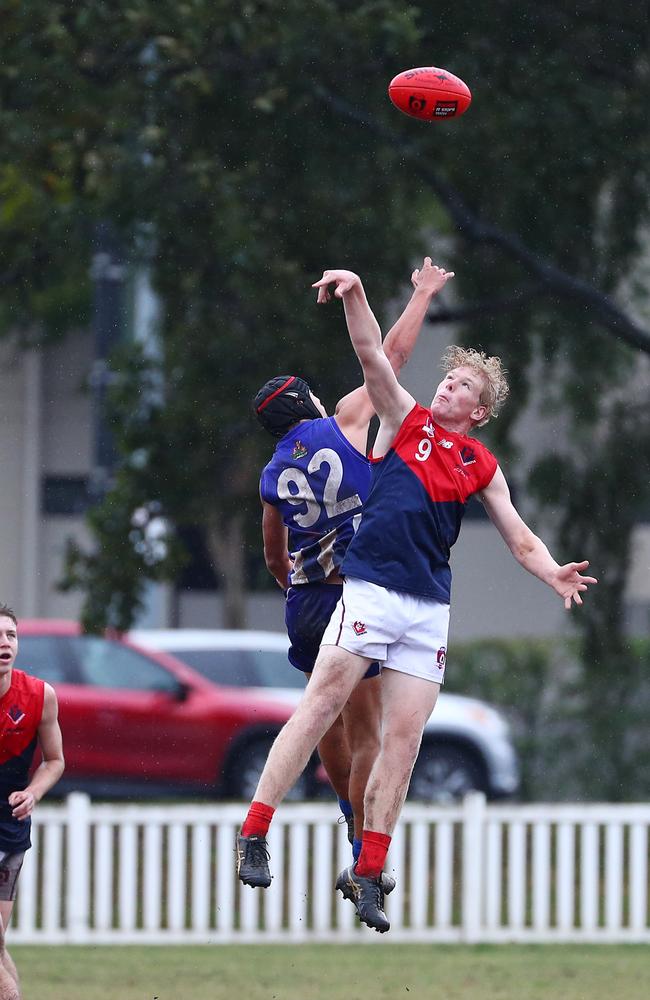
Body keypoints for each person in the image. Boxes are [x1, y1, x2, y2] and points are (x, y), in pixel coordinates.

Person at [236, 267, 596, 933]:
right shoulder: (407, 420)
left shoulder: (481, 464)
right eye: (449, 378)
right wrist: (356, 292)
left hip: (428, 606)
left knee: (402, 743)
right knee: (323, 709)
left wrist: (552, 574)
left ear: (478, 412)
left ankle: (369, 872)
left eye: (462, 385)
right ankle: (256, 828)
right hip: (367, 587)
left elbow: (519, 538)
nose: (448, 384)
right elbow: (377, 353)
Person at [244, 258, 451, 877]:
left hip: (303, 602)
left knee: (317, 715)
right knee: (367, 737)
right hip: (354, 595)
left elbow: (272, 552)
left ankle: (338, 805)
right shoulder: (342, 423)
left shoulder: (272, 473)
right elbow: (390, 357)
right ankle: (365, 850)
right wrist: (420, 295)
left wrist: (288, 579)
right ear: (303, 401)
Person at [0, 604, 65, 999]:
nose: (4, 644)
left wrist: (33, 792)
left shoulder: (40, 696)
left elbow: (55, 761)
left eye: (10, 636)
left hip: (8, 827)